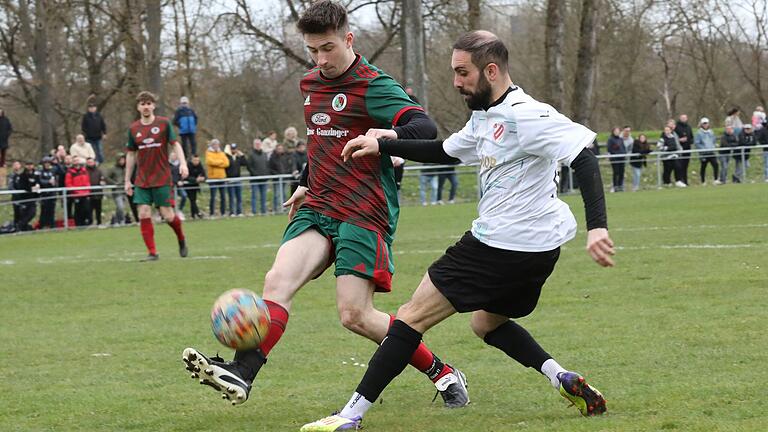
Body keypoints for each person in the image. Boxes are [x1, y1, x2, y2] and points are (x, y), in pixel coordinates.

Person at [302, 30, 612, 431]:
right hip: (539, 250)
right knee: (486, 323)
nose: (456, 81)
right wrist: (383, 145)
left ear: (492, 70)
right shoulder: (485, 118)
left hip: (499, 245)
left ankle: (350, 416)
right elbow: (444, 151)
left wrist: (598, 228)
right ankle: (561, 376)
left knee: (410, 318)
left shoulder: (526, 113)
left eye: (463, 72)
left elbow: (584, 159)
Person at [182, 0, 469, 410]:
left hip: (364, 211)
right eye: (313, 50)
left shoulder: (374, 85)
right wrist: (303, 182)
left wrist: (382, 137)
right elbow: (323, 143)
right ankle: (242, 373)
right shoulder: (310, 84)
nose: (321, 59)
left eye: (328, 48)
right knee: (277, 281)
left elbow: (424, 126)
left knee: (355, 315)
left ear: (348, 39)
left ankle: (441, 371)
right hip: (318, 205)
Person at [124, 91, 189, 261]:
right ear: (138, 107)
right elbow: (131, 155)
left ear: (153, 106)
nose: (146, 106)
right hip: (142, 179)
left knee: (167, 215)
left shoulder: (163, 124)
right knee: (144, 213)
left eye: (149, 103)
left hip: (161, 177)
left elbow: (175, 145)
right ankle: (152, 252)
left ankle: (181, 238)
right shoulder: (133, 129)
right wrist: (127, 181)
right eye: (142, 104)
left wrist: (183, 163)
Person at [65, 157, 91, 226]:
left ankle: (86, 223)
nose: (76, 162)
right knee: (78, 210)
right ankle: (78, 224)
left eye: (77, 160)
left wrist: (87, 190)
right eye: (75, 161)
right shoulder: (70, 172)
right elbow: (68, 184)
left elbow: (87, 181)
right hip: (76, 194)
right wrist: (75, 191)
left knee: (87, 209)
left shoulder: (84, 171)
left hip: (85, 193)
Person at [205, 139, 229, 217]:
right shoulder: (208, 153)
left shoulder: (222, 153)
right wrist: (220, 162)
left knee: (223, 197)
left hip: (222, 177)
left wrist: (217, 163)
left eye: (217, 144)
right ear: (212, 145)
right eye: (214, 144)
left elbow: (226, 163)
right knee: (213, 197)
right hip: (213, 178)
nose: (216, 146)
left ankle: (223, 213)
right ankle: (212, 213)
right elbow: (210, 162)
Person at [246, 138, 270, 215]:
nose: (258, 145)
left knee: (263, 196)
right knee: (254, 196)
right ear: (254, 145)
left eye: (259, 144)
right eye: (256, 144)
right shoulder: (251, 155)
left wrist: (266, 174)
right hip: (255, 179)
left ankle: (263, 211)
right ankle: (254, 211)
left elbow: (267, 165)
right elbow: (249, 166)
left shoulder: (264, 154)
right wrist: (255, 174)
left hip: (263, 179)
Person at [693, 117, 720, 185]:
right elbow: (697, 143)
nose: (705, 125)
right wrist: (703, 149)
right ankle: (703, 181)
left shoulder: (711, 131)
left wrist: (713, 146)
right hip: (703, 153)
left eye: (706, 123)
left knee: (716, 165)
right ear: (701, 124)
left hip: (711, 152)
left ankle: (716, 179)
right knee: (703, 167)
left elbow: (713, 140)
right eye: (704, 123)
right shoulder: (699, 133)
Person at [104, 153, 129, 225]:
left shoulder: (126, 168)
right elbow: (106, 178)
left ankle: (117, 220)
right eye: (120, 160)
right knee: (120, 206)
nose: (122, 161)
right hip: (117, 191)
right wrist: (114, 183)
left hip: (125, 190)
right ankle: (122, 220)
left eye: (123, 159)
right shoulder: (113, 169)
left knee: (121, 207)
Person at [268, 143, 293, 213]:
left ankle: (284, 208)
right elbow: (270, 168)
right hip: (277, 179)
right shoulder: (272, 157)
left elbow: (288, 166)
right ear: (276, 149)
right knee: (277, 194)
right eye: (279, 149)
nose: (280, 150)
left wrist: (286, 173)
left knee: (284, 194)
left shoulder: (286, 156)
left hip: (284, 179)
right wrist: (277, 175)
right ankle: (276, 208)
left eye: (281, 149)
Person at [17, 161, 40, 231]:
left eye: (31, 165)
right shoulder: (22, 175)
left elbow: (38, 183)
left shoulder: (36, 174)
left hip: (33, 197)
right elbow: (21, 186)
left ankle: (22, 226)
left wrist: (37, 188)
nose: (29, 166)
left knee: (32, 213)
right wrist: (30, 188)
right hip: (25, 197)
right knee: (26, 214)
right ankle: (21, 226)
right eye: (28, 165)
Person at [224, 143, 246, 216]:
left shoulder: (238, 158)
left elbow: (245, 163)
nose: (234, 150)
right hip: (230, 179)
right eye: (232, 149)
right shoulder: (227, 157)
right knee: (231, 197)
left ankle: (239, 211)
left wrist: (242, 155)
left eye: (235, 149)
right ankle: (232, 212)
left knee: (239, 197)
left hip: (238, 179)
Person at [37, 156, 58, 229]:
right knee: (44, 210)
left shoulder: (53, 170)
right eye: (45, 163)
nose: (47, 164)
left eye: (48, 163)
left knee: (51, 210)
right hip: (44, 193)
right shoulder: (40, 171)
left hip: (52, 193)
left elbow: (60, 173)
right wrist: (47, 182)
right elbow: (39, 180)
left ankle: (52, 225)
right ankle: (42, 225)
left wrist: (57, 163)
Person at [674, 114, 694, 185]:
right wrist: (680, 140)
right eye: (682, 118)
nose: (684, 119)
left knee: (685, 166)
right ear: (680, 118)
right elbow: (674, 138)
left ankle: (685, 181)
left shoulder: (689, 127)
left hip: (687, 149)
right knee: (680, 166)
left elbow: (691, 137)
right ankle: (680, 180)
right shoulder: (676, 127)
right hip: (680, 150)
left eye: (685, 118)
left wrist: (689, 141)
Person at [86, 157, 106, 225]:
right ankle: (90, 223)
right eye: (88, 162)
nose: (90, 163)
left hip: (98, 193)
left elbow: (103, 179)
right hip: (88, 193)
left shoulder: (99, 171)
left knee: (98, 209)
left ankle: (99, 223)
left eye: (91, 162)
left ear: (94, 162)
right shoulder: (85, 171)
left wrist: (102, 182)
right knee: (89, 209)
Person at [185, 154, 206, 219]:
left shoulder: (200, 165)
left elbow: (204, 174)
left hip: (195, 185)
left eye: (198, 160)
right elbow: (186, 176)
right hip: (187, 185)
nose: (196, 162)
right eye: (195, 160)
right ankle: (198, 213)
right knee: (192, 200)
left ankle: (193, 215)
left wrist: (203, 178)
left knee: (193, 200)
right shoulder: (188, 165)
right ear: (192, 160)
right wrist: (195, 179)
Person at [606, 127, 626, 192]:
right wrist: (616, 153)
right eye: (616, 131)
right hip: (615, 159)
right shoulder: (610, 139)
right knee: (616, 172)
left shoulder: (621, 139)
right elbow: (609, 149)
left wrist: (623, 153)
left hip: (622, 158)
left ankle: (620, 186)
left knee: (621, 172)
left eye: (618, 131)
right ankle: (615, 186)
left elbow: (623, 147)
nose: (617, 132)